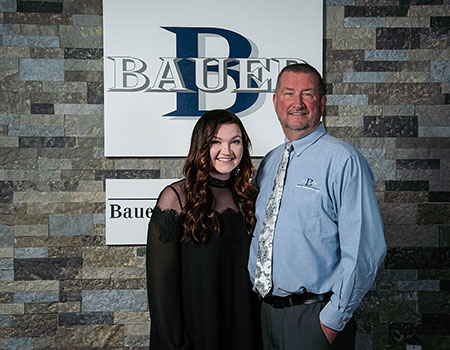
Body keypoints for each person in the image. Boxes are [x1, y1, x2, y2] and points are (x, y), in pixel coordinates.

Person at [248, 63, 387, 349]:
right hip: (265, 316)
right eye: (288, 93)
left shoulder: (344, 162)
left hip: (314, 319)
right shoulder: (269, 163)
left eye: (307, 94)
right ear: (275, 102)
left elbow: (365, 251)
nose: (297, 103)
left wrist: (331, 321)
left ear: (322, 103)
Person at [146, 109, 261, 350]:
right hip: (196, 337)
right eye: (216, 142)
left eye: (235, 142)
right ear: (201, 146)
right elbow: (162, 294)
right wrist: (176, 345)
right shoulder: (175, 199)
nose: (227, 151)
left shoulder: (249, 198)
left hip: (245, 332)